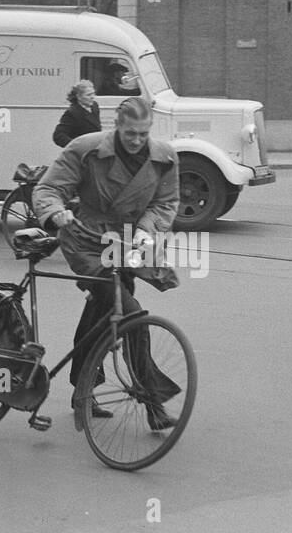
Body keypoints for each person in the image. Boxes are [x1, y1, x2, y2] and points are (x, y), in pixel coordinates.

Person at [32, 95, 182, 429]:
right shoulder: (86, 148)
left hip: (127, 243)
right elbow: (48, 189)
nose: (137, 140)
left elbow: (166, 201)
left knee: (100, 313)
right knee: (131, 315)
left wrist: (147, 229)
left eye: (143, 134)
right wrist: (55, 212)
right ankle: (153, 401)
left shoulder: (165, 158)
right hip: (86, 239)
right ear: (117, 125)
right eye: (130, 133)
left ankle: (81, 388)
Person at [52, 80, 103, 146]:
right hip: (82, 153)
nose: (93, 97)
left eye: (93, 93)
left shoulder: (94, 106)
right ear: (78, 97)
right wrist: (77, 146)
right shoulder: (72, 113)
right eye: (88, 95)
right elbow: (58, 136)